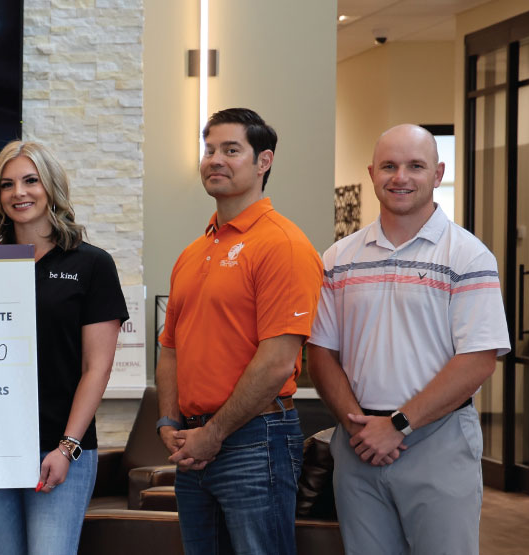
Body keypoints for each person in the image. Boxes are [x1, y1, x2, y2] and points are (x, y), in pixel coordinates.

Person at [307, 124, 508, 555]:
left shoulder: (468, 256)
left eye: (415, 166)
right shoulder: (340, 259)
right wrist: (359, 427)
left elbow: (478, 361)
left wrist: (397, 425)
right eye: (389, 166)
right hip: (358, 443)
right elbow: (321, 351)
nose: (401, 177)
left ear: (437, 173)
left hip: (439, 439)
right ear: (371, 173)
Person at [155, 108, 323, 555]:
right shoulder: (194, 251)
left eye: (231, 150)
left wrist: (214, 434)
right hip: (192, 444)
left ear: (263, 161)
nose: (215, 160)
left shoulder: (283, 244)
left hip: (255, 440)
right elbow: (169, 347)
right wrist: (169, 420)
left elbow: (277, 361)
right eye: (209, 150)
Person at [0, 141, 129, 554]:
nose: (19, 192)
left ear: (50, 186)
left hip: (58, 447)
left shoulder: (91, 264)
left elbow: (98, 367)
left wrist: (67, 446)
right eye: (7, 185)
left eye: (30, 180)